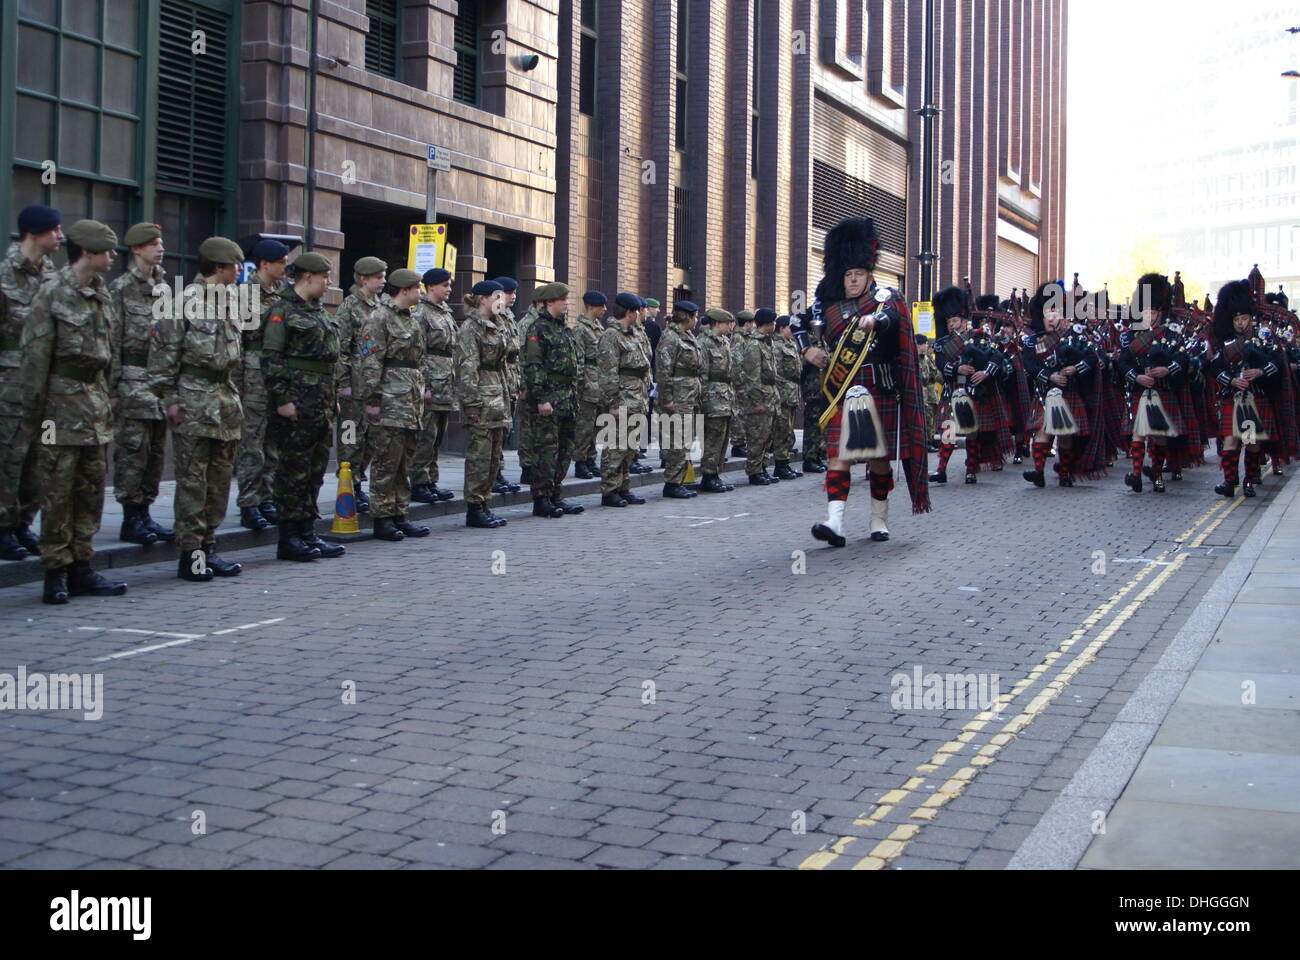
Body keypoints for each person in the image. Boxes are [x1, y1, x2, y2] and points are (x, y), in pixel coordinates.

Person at [795, 217, 930, 546]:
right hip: (841, 390)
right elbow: (797, 324)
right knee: (837, 454)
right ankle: (835, 522)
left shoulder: (887, 298)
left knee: (878, 460)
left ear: (870, 274)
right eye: (848, 274)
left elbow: (893, 320)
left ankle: (878, 519)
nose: (852, 280)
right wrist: (807, 350)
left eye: (858, 275)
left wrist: (875, 320)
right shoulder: (824, 303)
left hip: (878, 387)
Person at [20, 219, 128, 603]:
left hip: (95, 409)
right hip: (57, 409)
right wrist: (33, 419)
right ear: (87, 252)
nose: (113, 257)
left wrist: (111, 396)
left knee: (91, 491)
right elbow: (35, 360)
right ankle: (55, 571)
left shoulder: (102, 294)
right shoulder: (52, 293)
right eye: (107, 250)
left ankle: (82, 566)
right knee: (57, 489)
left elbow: (109, 355)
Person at [149, 236, 247, 582]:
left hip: (224, 401)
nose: (239, 271)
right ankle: (190, 555)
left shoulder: (232, 302)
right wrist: (170, 401)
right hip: (193, 402)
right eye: (235, 266)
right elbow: (162, 359)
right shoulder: (181, 303)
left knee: (219, 483)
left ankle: (209, 547)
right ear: (218, 267)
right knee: (193, 482)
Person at [263, 252, 346, 561]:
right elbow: (272, 359)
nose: (328, 283)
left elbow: (327, 362)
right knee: (291, 471)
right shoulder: (281, 311)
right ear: (307, 276)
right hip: (296, 402)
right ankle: (289, 537)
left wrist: (333, 397)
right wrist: (282, 399)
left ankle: (307, 531)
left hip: (320, 402)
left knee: (313, 471)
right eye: (324, 277)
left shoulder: (319, 311)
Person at [0, 205, 60, 561]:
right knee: (9, 456)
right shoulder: (5, 275)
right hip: (11, 380)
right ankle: (3, 527)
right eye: (54, 230)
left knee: (39, 458)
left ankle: (24, 522)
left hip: (47, 384)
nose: (60, 237)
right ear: (35, 233)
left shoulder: (52, 277)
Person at [107, 222, 173, 545]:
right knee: (133, 450)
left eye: (160, 243)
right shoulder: (121, 289)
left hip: (159, 382)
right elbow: (113, 341)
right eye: (152, 244)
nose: (159, 248)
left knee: (155, 452)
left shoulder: (165, 287)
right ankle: (130, 517)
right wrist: (112, 388)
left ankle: (145, 513)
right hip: (132, 381)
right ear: (136, 249)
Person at [360, 268, 431, 541]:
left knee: (405, 461)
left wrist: (422, 388)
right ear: (404, 290)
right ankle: (382, 517)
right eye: (416, 288)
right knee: (386, 461)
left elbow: (419, 359)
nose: (420, 293)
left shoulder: (411, 320)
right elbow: (370, 361)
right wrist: (373, 398)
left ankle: (400, 513)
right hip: (389, 399)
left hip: (410, 401)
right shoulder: (379, 318)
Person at [1021, 280, 1107, 488]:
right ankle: (1039, 471)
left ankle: (1065, 474)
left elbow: (1093, 358)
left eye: (1055, 312)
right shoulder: (1033, 340)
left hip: (1070, 392)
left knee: (1066, 434)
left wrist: (1076, 369)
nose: (1051, 318)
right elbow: (1030, 365)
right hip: (1045, 392)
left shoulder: (1076, 336)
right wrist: (1049, 377)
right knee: (1042, 430)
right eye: (1047, 313)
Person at [1210, 280, 1287, 498]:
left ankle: (1248, 481)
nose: (1241, 323)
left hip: (1255, 397)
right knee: (1231, 439)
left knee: (1251, 440)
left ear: (1251, 319)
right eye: (1236, 319)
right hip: (1232, 396)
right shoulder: (1225, 343)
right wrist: (1232, 381)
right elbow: (1215, 367)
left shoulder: (1263, 340)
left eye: (1244, 319)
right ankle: (1228, 482)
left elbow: (1278, 363)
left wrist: (1261, 372)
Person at [929, 286, 1013, 485]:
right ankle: (941, 470)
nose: (951, 324)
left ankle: (970, 470)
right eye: (948, 321)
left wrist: (985, 372)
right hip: (953, 390)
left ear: (965, 321)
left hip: (975, 392)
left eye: (955, 320)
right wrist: (957, 369)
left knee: (972, 432)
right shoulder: (941, 344)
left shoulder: (980, 337)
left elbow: (997, 356)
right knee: (948, 431)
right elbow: (940, 365)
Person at [234, 238, 291, 530]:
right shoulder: (245, 295)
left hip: (277, 375)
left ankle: (267, 498)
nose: (285, 266)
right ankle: (249, 503)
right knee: (252, 443)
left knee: (273, 443)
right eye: (280, 262)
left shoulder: (285, 294)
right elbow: (238, 342)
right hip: (254, 377)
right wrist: (238, 383)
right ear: (264, 264)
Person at [1120, 274, 1193, 494]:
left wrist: (1166, 370)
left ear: (1160, 312)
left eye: (1152, 312)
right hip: (1140, 388)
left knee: (1160, 436)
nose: (1148, 316)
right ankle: (1135, 474)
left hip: (1162, 389)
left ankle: (1158, 474)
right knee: (1138, 433)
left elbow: (1183, 359)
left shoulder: (1172, 333)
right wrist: (1136, 377)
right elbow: (1123, 362)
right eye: (1144, 311)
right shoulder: (1129, 335)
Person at [329, 255, 387, 520]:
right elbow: (340, 349)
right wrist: (342, 384)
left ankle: (359, 480)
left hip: (372, 383)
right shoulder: (349, 307)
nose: (383, 281)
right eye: (379, 277)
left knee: (371, 438)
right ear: (364, 278)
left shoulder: (380, 306)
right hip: (353, 384)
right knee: (350, 437)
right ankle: (349, 484)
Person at [523, 282, 585, 517]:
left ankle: (556, 494)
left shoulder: (563, 329)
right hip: (549, 396)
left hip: (567, 397)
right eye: (563, 300)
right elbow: (534, 365)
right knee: (546, 450)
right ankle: (541, 498)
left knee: (565, 449)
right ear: (550, 302)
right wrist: (541, 398)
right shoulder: (537, 328)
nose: (566, 303)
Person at [456, 280, 513, 528]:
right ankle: (474, 506)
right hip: (481, 398)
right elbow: (467, 368)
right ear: (482, 299)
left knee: (492, 457)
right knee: (479, 456)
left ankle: (484, 502)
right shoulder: (471, 328)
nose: (501, 302)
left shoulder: (499, 325)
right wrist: (471, 404)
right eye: (496, 297)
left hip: (498, 396)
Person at [410, 267, 458, 503]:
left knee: (438, 435)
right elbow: (418, 352)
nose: (449, 289)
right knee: (426, 435)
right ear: (431, 287)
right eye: (445, 285)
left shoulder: (445, 313)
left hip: (446, 382)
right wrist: (425, 385)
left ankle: (431, 479)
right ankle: (418, 481)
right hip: (431, 381)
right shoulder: (421, 313)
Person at [598, 294, 651, 507]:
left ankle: (623, 486)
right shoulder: (612, 336)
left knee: (630, 447)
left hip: (637, 397)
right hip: (622, 398)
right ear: (630, 312)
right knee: (615, 445)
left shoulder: (634, 335)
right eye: (637, 311)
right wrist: (613, 402)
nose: (639, 314)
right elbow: (608, 372)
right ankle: (609, 489)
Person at [656, 300, 702, 499]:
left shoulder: (687, 336)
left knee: (685, 440)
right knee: (677, 441)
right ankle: (672, 483)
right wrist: (667, 399)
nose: (697, 320)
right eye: (695, 316)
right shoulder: (670, 338)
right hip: (677, 397)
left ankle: (679, 480)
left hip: (688, 396)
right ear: (687, 317)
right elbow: (664, 371)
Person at [735, 309, 781, 485]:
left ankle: (762, 468)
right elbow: (752, 377)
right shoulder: (754, 345)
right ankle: (754, 471)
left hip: (769, 395)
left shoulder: (765, 342)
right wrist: (757, 401)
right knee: (757, 437)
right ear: (768, 323)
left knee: (767, 436)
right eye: (773, 322)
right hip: (760, 398)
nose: (774, 325)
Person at [696, 307, 736, 493]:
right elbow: (702, 374)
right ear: (717, 323)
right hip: (712, 398)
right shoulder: (704, 343)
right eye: (728, 323)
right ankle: (708, 475)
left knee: (722, 438)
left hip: (725, 397)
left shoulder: (724, 343)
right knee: (712, 438)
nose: (730, 327)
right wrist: (702, 399)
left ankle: (716, 473)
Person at [572, 291, 608, 479]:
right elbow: (578, 360)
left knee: (596, 426)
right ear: (591, 307)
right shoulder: (580, 330)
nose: (604, 310)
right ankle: (580, 461)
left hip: (599, 383)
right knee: (584, 426)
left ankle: (591, 459)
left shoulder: (599, 328)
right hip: (587, 384)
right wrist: (579, 387)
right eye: (601, 306)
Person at [494, 277, 524, 493]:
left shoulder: (509, 317)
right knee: (495, 432)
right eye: (508, 292)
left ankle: (498, 472)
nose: (513, 296)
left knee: (504, 430)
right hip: (496, 382)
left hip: (510, 381)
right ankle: (492, 474)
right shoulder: (493, 318)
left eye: (514, 292)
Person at [772, 315, 804, 480]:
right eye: (790, 328)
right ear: (782, 328)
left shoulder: (791, 344)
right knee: (782, 429)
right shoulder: (776, 346)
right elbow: (775, 372)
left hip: (792, 391)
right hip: (783, 392)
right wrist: (782, 390)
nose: (793, 332)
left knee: (788, 429)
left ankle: (785, 463)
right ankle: (780, 464)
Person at [799, 309, 829, 474]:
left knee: (819, 425)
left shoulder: (820, 339)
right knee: (812, 425)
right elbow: (801, 366)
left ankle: (817, 455)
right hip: (813, 389)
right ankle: (809, 458)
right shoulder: (807, 341)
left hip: (822, 388)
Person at [730, 310, 755, 457]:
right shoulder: (739, 338)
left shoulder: (745, 337)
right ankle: (738, 444)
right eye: (752, 324)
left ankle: (741, 442)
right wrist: (740, 384)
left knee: (743, 413)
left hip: (746, 382)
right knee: (739, 414)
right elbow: (737, 362)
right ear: (747, 324)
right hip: (741, 384)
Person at [916, 334, 942, 453]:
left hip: (930, 390)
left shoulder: (927, 357)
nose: (927, 346)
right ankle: (925, 441)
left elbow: (934, 372)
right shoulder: (915, 358)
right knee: (925, 416)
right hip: (922, 389)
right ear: (919, 345)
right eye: (925, 344)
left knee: (932, 414)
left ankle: (931, 439)